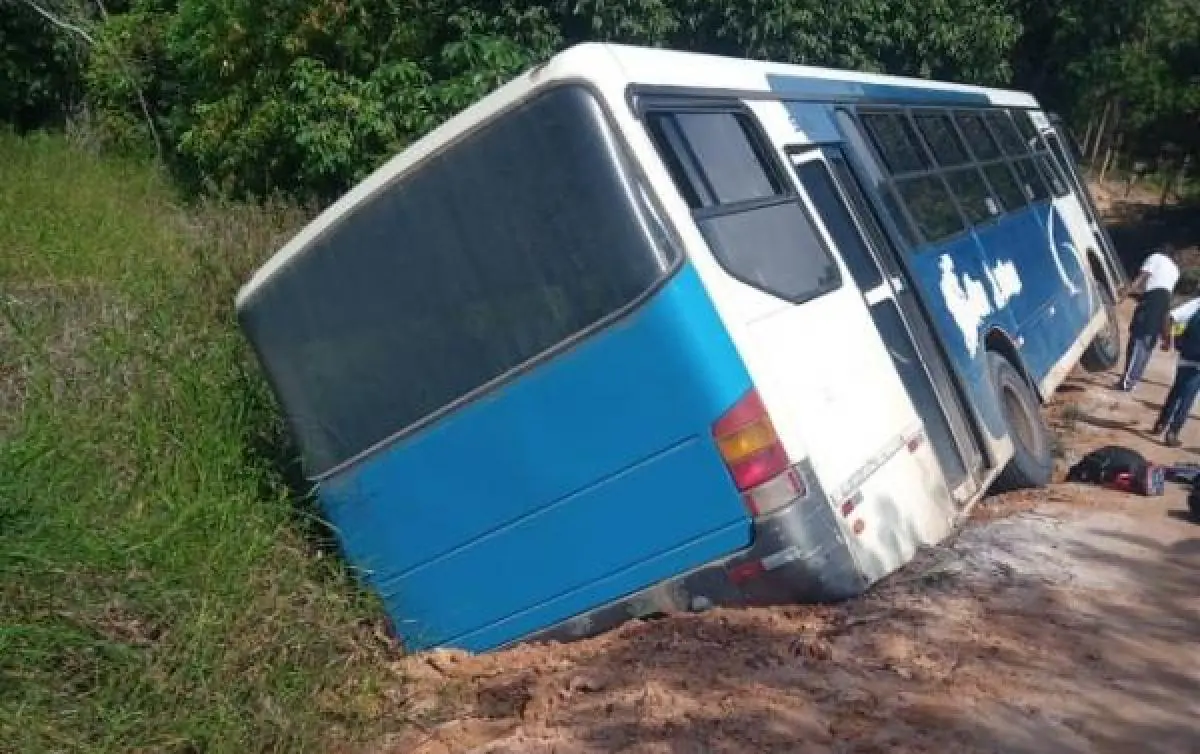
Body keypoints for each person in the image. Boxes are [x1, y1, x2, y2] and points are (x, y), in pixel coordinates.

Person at [1117, 243, 1180, 391]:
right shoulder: (1175, 270)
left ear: (1160, 251)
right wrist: (1167, 337)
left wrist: (1125, 293)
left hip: (1151, 301)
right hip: (1164, 301)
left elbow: (1142, 277)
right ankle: (1132, 379)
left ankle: (1127, 382)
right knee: (1147, 343)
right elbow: (1164, 295)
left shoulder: (1155, 257)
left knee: (1137, 340)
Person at [1152, 294, 1200, 447]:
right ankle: (1173, 432)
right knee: (1187, 398)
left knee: (1176, 391)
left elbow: (1170, 316)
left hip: (1186, 354)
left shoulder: (1197, 302)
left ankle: (1160, 424)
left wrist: (1167, 340)